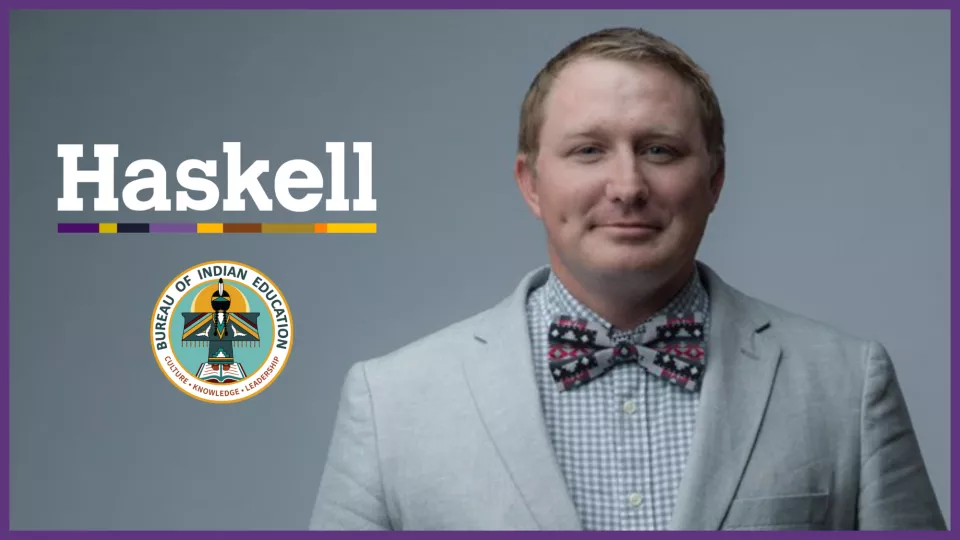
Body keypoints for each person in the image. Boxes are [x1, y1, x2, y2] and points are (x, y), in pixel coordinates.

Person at [308, 27, 946, 531]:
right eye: (588, 150)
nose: (627, 187)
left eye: (660, 150)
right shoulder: (391, 401)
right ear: (531, 183)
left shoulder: (847, 383)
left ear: (715, 181)